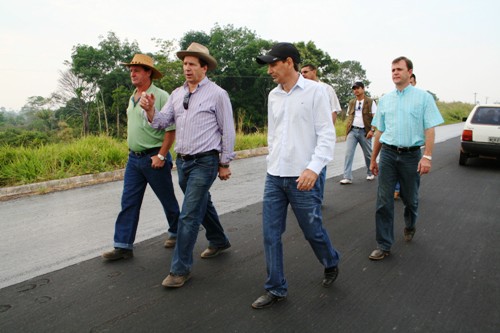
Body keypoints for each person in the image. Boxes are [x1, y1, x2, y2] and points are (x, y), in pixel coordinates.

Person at [252, 42, 341, 309]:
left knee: (312, 231)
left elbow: (327, 134)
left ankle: (330, 260)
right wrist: (271, 159)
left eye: (273, 64)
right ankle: (276, 288)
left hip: (303, 177)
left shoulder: (316, 92)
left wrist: (314, 168)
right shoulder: (273, 96)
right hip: (274, 176)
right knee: (270, 234)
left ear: (288, 62)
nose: (269, 70)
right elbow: (274, 133)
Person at [140, 43, 236, 288]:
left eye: (192, 64)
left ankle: (179, 269)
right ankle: (219, 240)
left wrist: (224, 162)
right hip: (183, 163)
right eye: (185, 64)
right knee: (202, 203)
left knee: (189, 214)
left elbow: (228, 131)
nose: (187, 68)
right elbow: (161, 123)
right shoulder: (176, 94)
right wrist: (150, 110)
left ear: (204, 68)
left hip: (206, 161)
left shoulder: (217, 94)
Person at [102, 54, 180, 261]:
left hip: (154, 158)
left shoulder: (161, 96)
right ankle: (123, 246)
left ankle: (177, 231)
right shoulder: (132, 97)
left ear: (148, 73)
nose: (132, 73)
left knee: (167, 199)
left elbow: (170, 130)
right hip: (133, 160)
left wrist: (161, 156)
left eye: (137, 70)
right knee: (128, 201)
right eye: (130, 70)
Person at [368, 57, 443, 260]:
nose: (395, 73)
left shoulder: (424, 98)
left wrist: (426, 156)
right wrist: (373, 159)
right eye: (392, 69)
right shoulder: (385, 100)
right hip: (389, 155)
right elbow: (379, 132)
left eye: (399, 69)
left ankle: (410, 224)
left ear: (410, 72)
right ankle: (383, 245)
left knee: (410, 199)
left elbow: (430, 129)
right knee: (383, 201)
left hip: (411, 156)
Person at [301, 63, 342, 200]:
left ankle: (317, 198)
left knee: (319, 166)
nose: (303, 75)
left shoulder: (326, 89)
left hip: (320, 135)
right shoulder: (301, 89)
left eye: (306, 72)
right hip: (305, 136)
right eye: (301, 72)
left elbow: (333, 110)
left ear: (314, 72)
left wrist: (327, 132)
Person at [339, 81, 377, 185]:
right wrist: (347, 131)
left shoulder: (370, 101)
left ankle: (370, 172)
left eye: (358, 88)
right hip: (353, 130)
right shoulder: (351, 102)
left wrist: (372, 130)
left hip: (365, 131)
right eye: (354, 88)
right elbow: (349, 117)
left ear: (363, 89)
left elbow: (375, 117)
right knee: (348, 153)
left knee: (368, 154)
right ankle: (347, 176)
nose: (356, 90)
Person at [394, 73, 417, 199]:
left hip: (412, 147)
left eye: (412, 82)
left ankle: (408, 191)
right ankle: (397, 189)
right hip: (395, 144)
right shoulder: (394, 99)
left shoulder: (419, 100)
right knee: (396, 169)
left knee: (410, 174)